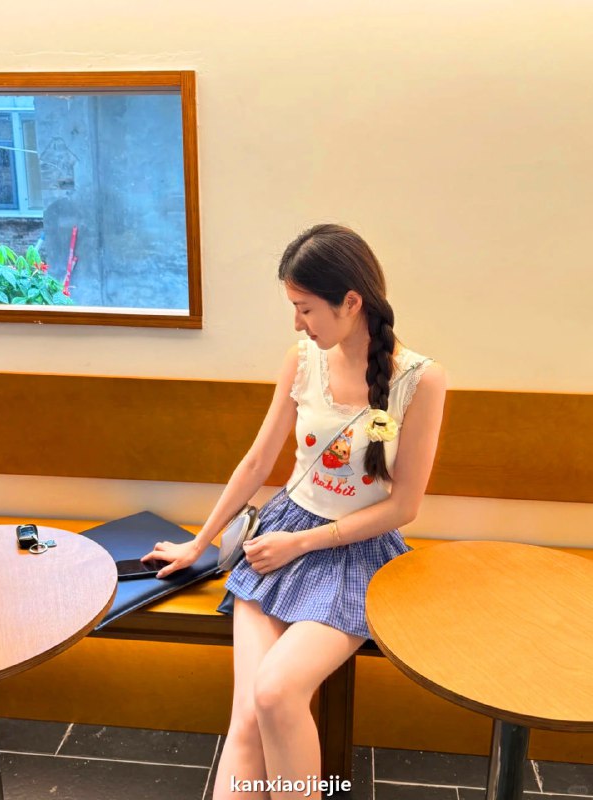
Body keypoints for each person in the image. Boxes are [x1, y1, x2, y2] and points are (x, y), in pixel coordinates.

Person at [142, 224, 447, 799]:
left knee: (277, 693)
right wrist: (199, 543)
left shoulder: (420, 380)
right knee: (247, 719)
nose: (298, 324)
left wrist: (302, 544)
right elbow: (258, 461)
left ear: (350, 302)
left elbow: (403, 507)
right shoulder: (302, 360)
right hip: (280, 535)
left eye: (305, 309)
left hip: (354, 552)